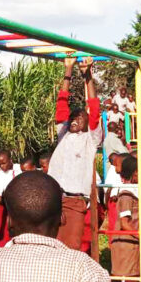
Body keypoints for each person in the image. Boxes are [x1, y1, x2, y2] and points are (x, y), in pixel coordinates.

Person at [51, 57, 103, 250]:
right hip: (53, 199)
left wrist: (87, 75)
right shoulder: (63, 134)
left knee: (72, 246)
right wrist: (68, 69)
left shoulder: (91, 139)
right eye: (72, 117)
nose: (73, 120)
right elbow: (62, 104)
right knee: (51, 245)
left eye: (79, 118)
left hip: (75, 200)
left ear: (87, 122)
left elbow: (95, 108)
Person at [111, 157, 141, 282]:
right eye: (139, 172)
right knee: (130, 280)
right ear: (132, 174)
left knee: (130, 281)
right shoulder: (126, 194)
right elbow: (125, 223)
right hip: (127, 242)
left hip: (134, 241)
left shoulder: (136, 190)